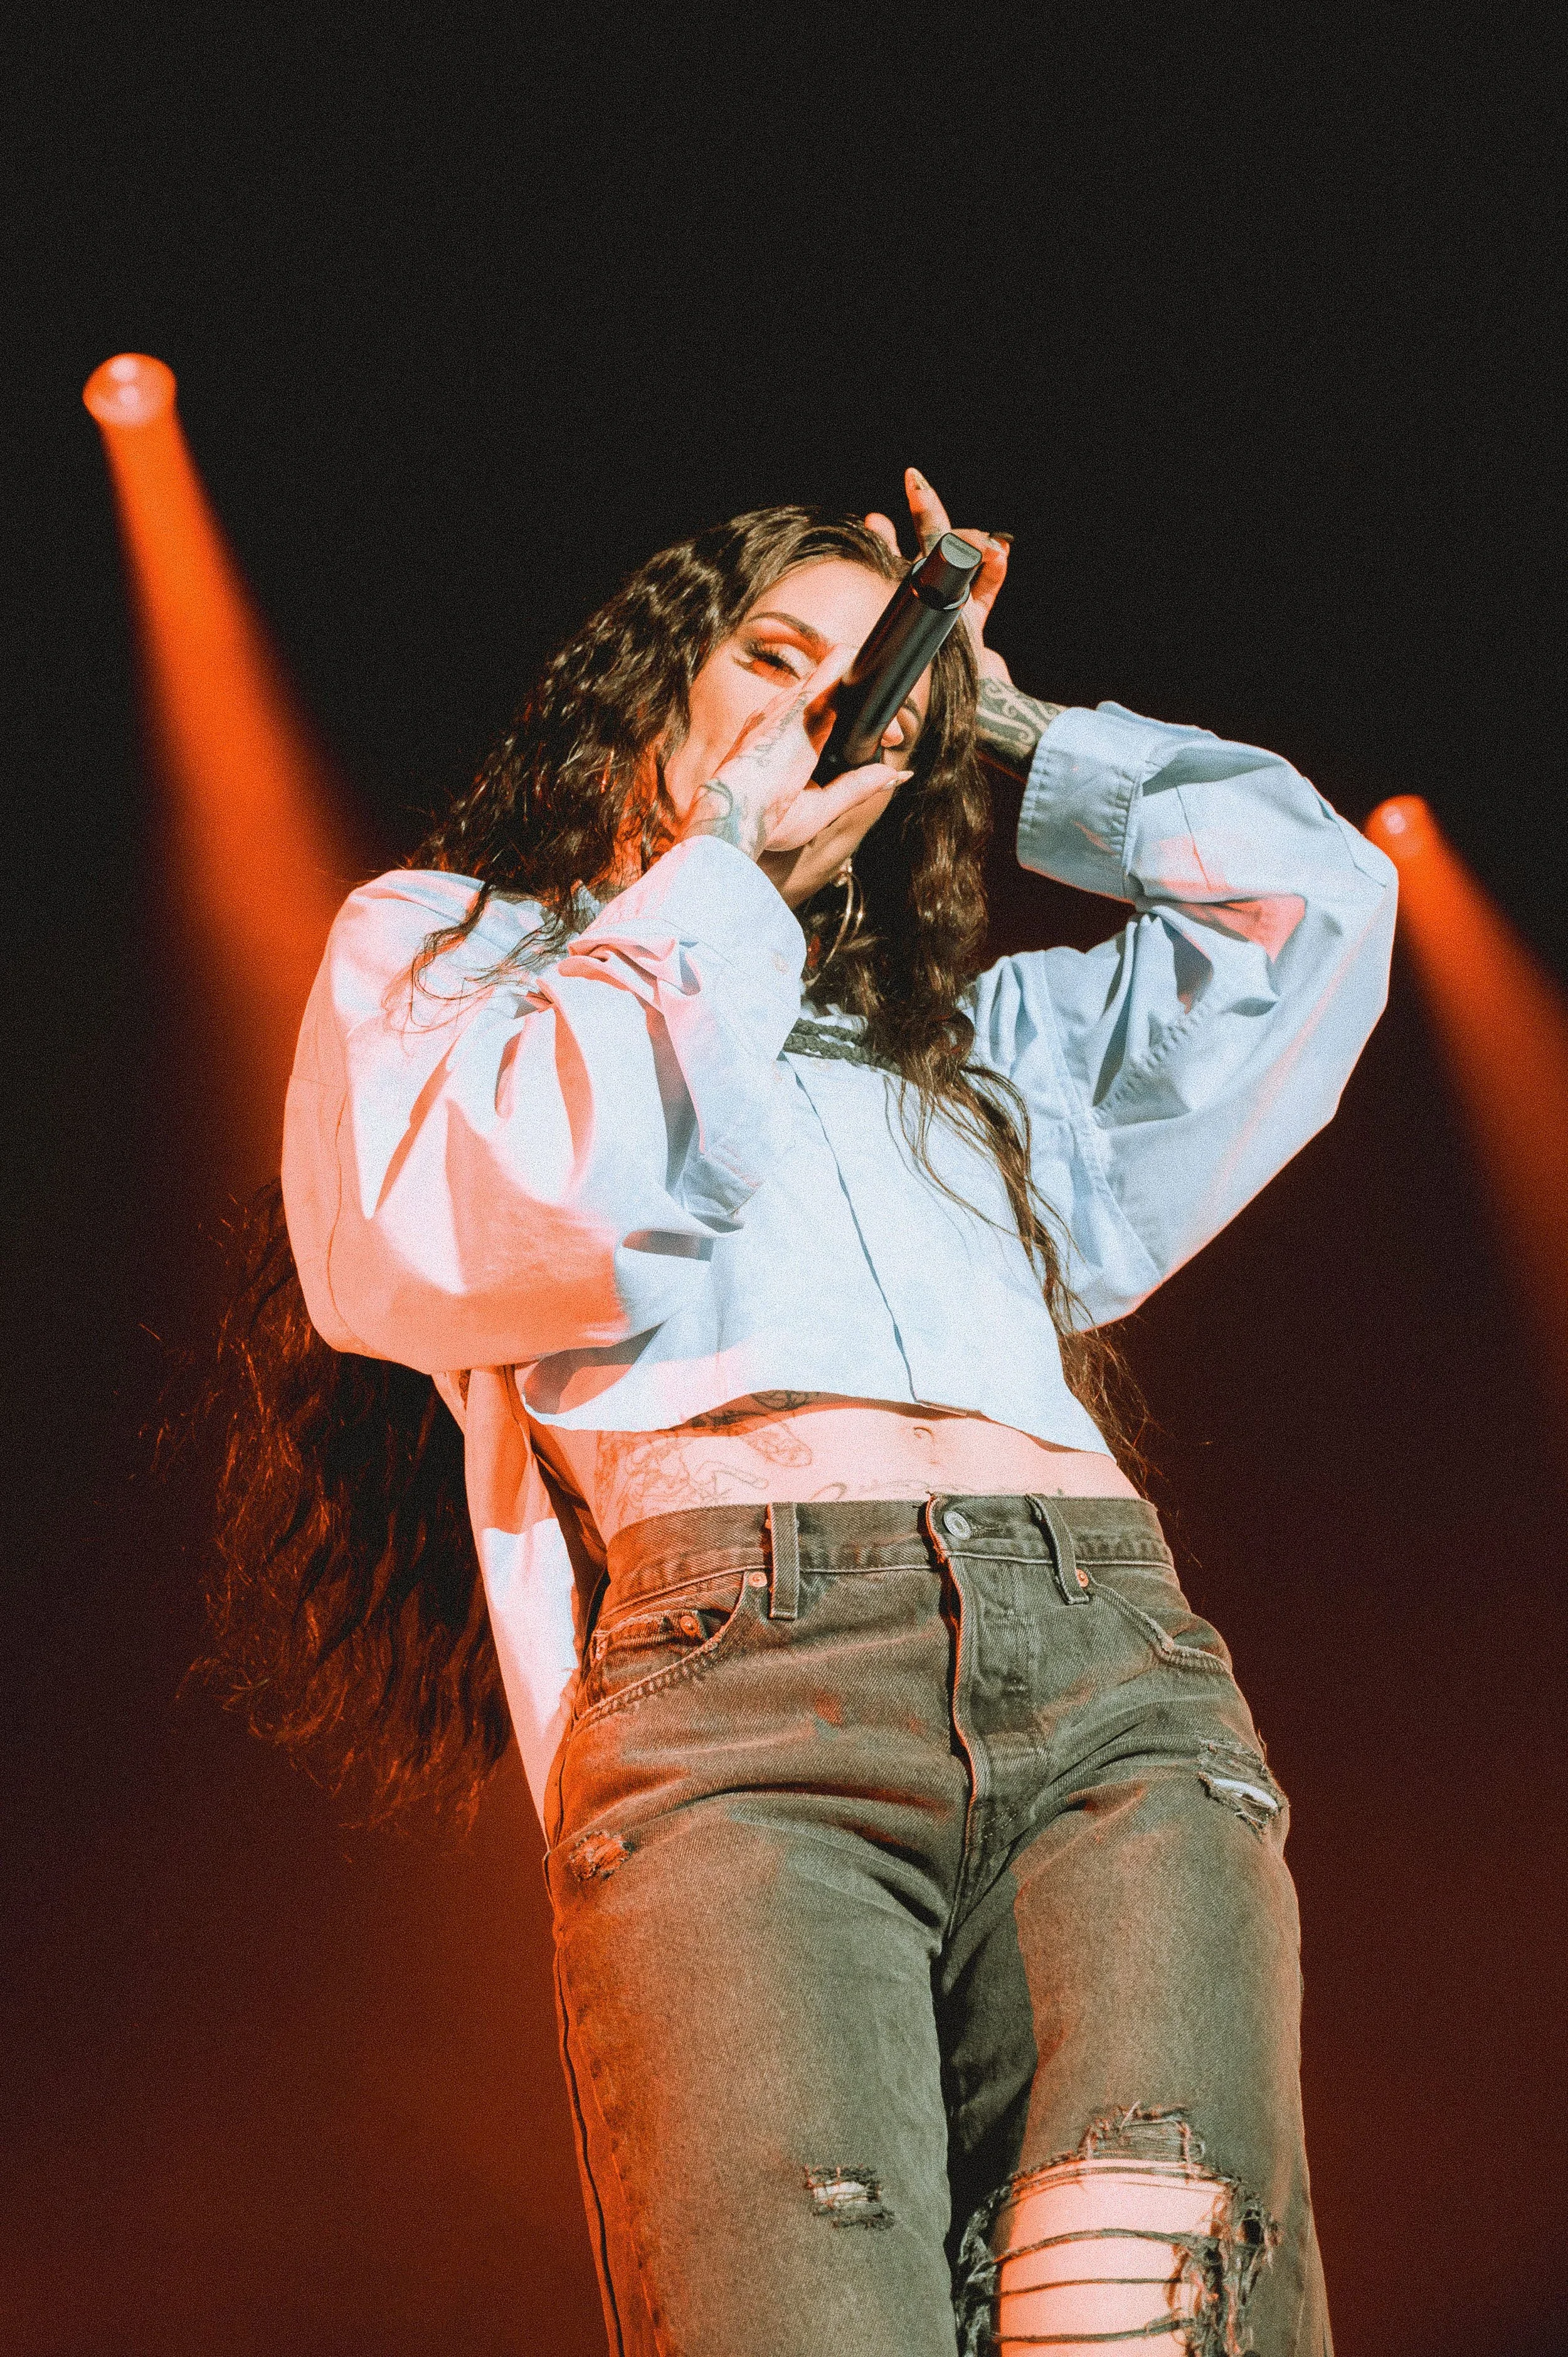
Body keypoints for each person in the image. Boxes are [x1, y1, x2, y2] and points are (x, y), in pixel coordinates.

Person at [225, 470, 1395, 2354]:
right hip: (746, 1711)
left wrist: (1010, 730)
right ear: (656, 683)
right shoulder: (457, 953)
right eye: (774, 659)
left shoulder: (973, 1050)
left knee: (1155, 2308)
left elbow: (1315, 909)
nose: (823, 716)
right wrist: (721, 893)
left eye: (875, 694)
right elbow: (465, 1232)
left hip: (1109, 1668)